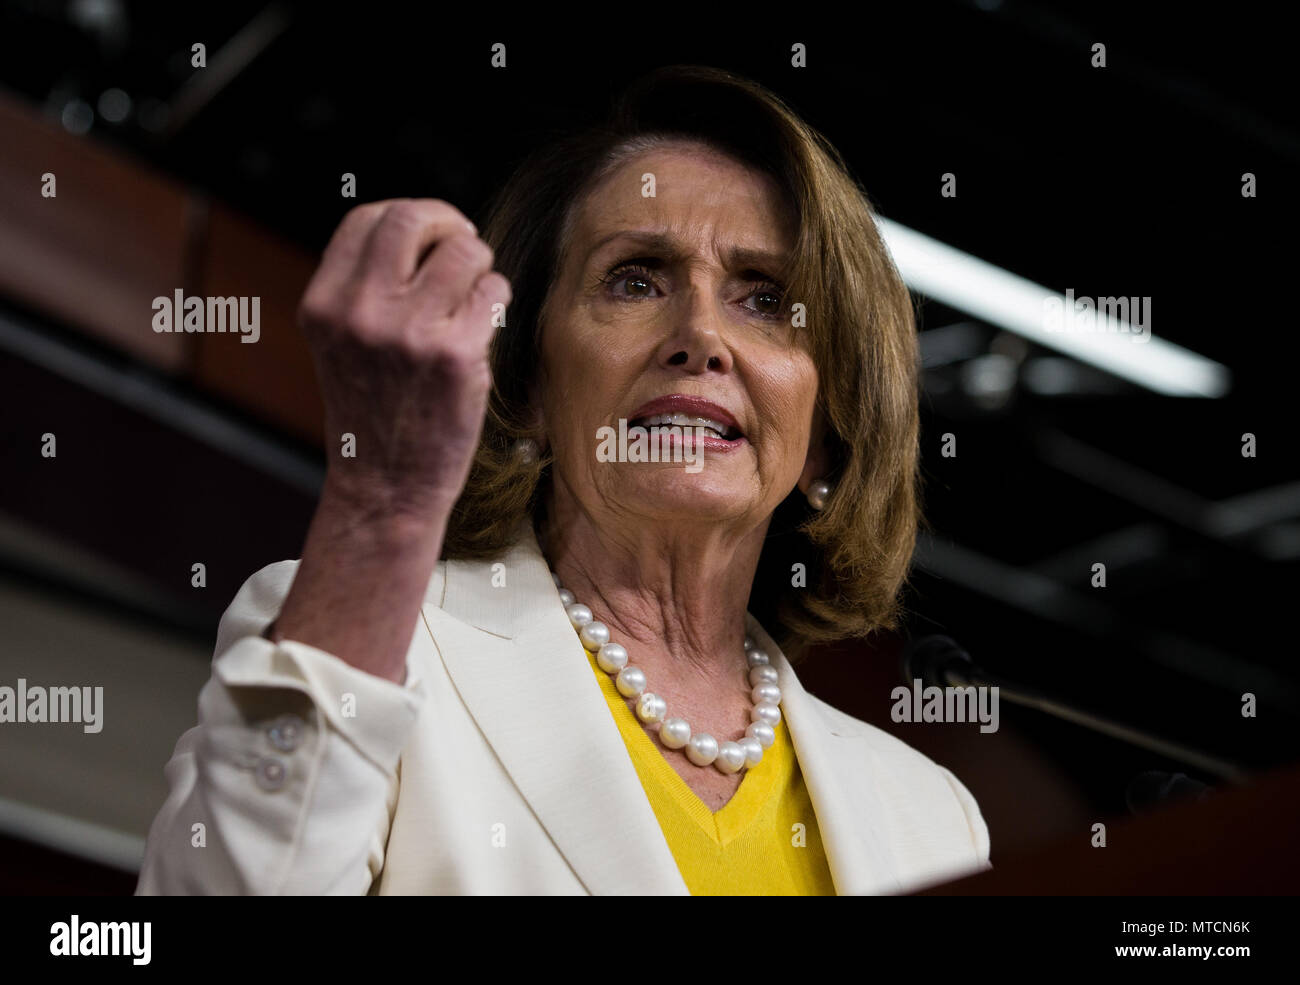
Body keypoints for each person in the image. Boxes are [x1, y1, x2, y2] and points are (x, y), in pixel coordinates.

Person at [136, 65, 990, 895]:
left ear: (824, 438)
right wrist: (378, 507)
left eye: (765, 298)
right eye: (634, 280)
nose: (699, 334)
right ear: (531, 385)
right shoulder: (368, 649)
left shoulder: (933, 820)